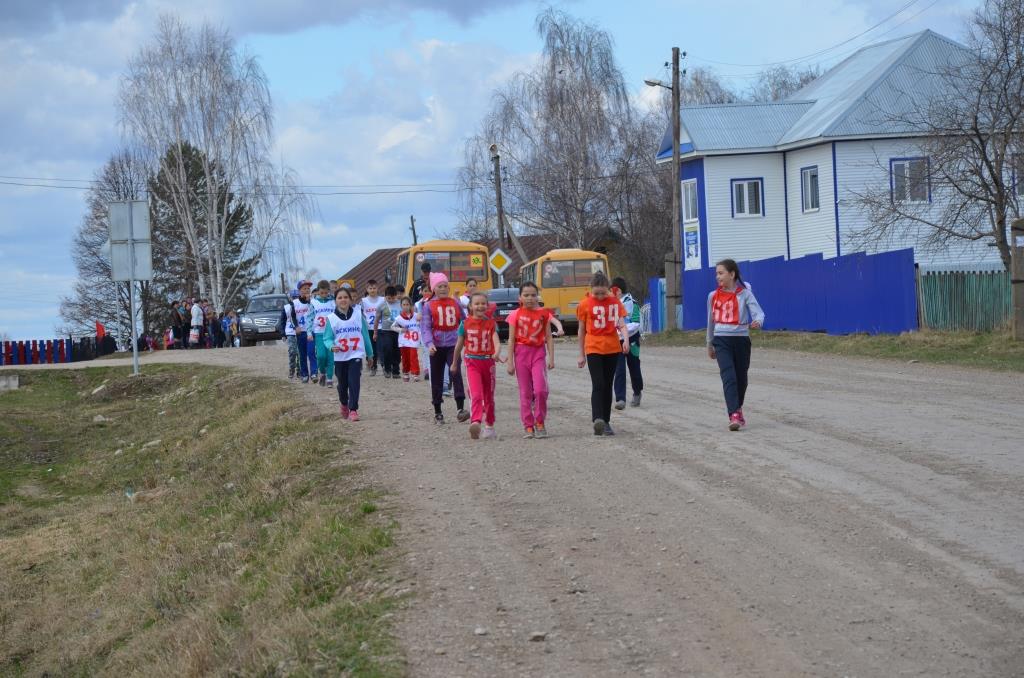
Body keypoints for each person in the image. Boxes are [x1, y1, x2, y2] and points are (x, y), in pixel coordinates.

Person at [707, 258, 765, 431]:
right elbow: (710, 322)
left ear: (732, 274)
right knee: (729, 376)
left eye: (721, 273)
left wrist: (758, 321)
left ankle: (737, 408)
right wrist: (709, 344)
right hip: (721, 340)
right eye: (716, 273)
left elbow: (759, 313)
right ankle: (733, 414)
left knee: (741, 379)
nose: (717, 277)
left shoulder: (745, 293)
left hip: (741, 340)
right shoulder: (712, 296)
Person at [576, 272, 630, 436]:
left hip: (612, 348)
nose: (600, 296)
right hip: (593, 347)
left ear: (608, 289)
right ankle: (597, 419)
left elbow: (621, 325)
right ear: (591, 289)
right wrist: (581, 354)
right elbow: (581, 330)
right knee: (598, 384)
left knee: (607, 385)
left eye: (603, 293)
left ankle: (606, 422)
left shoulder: (615, 303)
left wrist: (626, 340)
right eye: (596, 293)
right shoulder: (584, 304)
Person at [505, 282, 556, 439]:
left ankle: (539, 421)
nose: (530, 298)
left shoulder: (544, 314)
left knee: (540, 390)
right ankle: (528, 425)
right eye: (526, 295)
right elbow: (511, 340)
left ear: (537, 297)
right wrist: (510, 362)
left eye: (533, 295)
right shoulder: (515, 315)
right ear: (520, 297)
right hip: (521, 353)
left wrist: (551, 357)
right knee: (525, 392)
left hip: (538, 353)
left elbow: (548, 337)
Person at [451, 292, 502, 440]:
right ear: (470, 306)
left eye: (483, 303)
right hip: (472, 362)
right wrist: (454, 363)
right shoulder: (465, 324)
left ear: (487, 306)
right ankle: (476, 421)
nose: (480, 306)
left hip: (489, 363)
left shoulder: (491, 324)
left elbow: (497, 342)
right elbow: (459, 345)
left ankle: (490, 426)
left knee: (489, 396)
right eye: (477, 304)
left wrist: (497, 352)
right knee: (476, 394)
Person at [421, 272, 469, 425]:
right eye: (439, 286)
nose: (443, 289)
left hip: (453, 345)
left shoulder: (455, 303)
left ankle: (460, 409)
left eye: (445, 286)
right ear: (434, 289)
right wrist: (429, 344)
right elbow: (425, 327)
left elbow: (465, 321)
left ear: (449, 288)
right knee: (437, 378)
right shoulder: (428, 305)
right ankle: (438, 412)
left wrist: (468, 337)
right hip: (436, 347)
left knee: (455, 373)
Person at [322, 287, 374, 422]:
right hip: (340, 357)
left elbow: (365, 336)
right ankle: (344, 403)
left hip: (355, 355)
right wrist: (331, 346)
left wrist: (370, 354)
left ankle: (353, 409)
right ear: (335, 301)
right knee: (342, 385)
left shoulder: (358, 315)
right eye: (339, 298)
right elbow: (327, 338)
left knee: (354, 381)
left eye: (345, 297)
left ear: (350, 299)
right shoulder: (331, 319)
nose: (343, 300)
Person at [612, 278, 644, 410]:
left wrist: (622, 330)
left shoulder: (632, 303)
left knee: (634, 367)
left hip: (632, 340)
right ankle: (620, 398)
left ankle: (637, 392)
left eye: (612, 289)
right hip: (616, 342)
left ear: (618, 290)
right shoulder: (611, 304)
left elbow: (636, 323)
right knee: (619, 369)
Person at [305, 280, 336, 387]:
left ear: (329, 291)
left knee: (330, 357)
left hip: (331, 333)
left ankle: (329, 378)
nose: (324, 295)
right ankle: (322, 372)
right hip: (319, 333)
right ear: (318, 291)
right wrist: (309, 332)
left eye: (326, 293)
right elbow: (309, 318)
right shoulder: (313, 302)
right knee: (321, 356)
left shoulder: (333, 302)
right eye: (321, 293)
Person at [376, 285, 402, 379]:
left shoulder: (400, 304)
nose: (391, 300)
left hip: (398, 331)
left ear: (396, 295)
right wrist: (375, 332)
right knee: (387, 349)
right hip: (386, 331)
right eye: (389, 298)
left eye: (393, 298)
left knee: (397, 351)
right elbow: (376, 320)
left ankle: (396, 371)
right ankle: (387, 369)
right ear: (385, 296)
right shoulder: (381, 305)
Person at [393, 296, 421, 382]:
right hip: (404, 341)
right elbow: (392, 327)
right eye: (404, 304)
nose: (405, 306)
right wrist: (401, 330)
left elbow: (421, 324)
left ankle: (415, 373)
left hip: (414, 341)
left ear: (410, 305)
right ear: (401, 306)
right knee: (405, 357)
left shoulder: (416, 316)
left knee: (413, 356)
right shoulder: (399, 318)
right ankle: (406, 372)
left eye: (407, 304)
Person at [361, 279, 386, 376]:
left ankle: (384, 366)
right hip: (369, 328)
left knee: (381, 347)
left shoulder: (382, 299)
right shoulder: (363, 301)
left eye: (374, 288)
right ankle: (373, 367)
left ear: (377, 288)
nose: (372, 290)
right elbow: (361, 314)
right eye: (370, 288)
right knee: (372, 349)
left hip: (380, 327)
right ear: (367, 289)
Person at [291, 280, 313, 382]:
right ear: (299, 291)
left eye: (308, 288)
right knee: (302, 354)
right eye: (304, 288)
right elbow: (292, 316)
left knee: (311, 353)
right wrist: (296, 327)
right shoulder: (295, 303)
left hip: (311, 331)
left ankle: (314, 373)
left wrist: (309, 301)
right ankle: (304, 374)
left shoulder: (313, 301)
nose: (307, 290)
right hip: (301, 332)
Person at [283, 290, 301, 378]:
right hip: (290, 332)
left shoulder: (303, 306)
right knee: (292, 351)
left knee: (300, 353)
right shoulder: (286, 307)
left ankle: (300, 370)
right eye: (293, 298)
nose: (295, 299)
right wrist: (283, 334)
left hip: (300, 332)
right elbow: (282, 321)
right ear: (290, 298)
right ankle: (292, 369)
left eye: (297, 297)